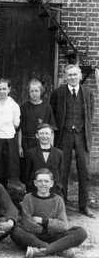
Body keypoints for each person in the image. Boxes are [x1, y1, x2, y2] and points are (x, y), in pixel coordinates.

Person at [50, 64, 95, 218]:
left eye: (75, 74)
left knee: (85, 172)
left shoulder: (88, 93)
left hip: (82, 136)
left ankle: (84, 205)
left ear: (80, 76)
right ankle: (62, 205)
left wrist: (82, 128)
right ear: (65, 77)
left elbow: (90, 114)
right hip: (65, 135)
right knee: (62, 171)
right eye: (69, 75)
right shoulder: (58, 93)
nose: (72, 77)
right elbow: (53, 114)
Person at [11, 169, 87, 258]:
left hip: (55, 235)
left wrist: (44, 221)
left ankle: (43, 250)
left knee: (81, 232)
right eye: (40, 181)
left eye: (46, 181)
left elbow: (63, 226)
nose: (43, 184)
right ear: (35, 183)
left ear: (51, 183)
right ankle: (59, 249)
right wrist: (49, 227)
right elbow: (28, 224)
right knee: (15, 231)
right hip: (34, 236)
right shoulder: (28, 198)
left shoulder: (58, 200)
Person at [19, 78, 56, 156]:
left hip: (42, 143)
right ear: (29, 92)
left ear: (41, 92)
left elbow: (51, 129)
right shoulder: (24, 107)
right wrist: (19, 146)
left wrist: (51, 147)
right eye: (32, 91)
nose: (34, 93)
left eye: (36, 91)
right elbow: (20, 130)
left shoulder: (47, 107)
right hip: (26, 144)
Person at [25, 124, 63, 196]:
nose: (44, 136)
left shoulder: (59, 153)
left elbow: (61, 173)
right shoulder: (30, 153)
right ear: (37, 135)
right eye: (41, 133)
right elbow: (27, 174)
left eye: (47, 133)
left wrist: (58, 187)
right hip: (35, 191)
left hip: (54, 191)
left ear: (51, 135)